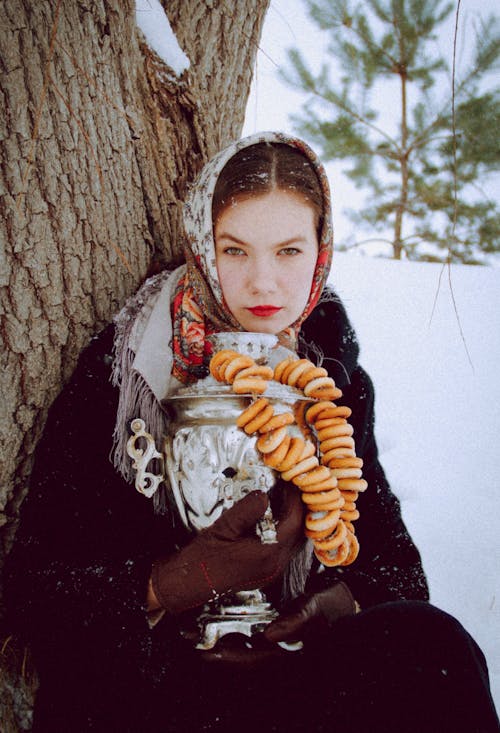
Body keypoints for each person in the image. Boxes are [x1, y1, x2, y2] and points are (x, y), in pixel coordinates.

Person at [3, 132, 499, 733]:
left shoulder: (330, 377)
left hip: (290, 680)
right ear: (202, 247)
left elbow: (396, 569)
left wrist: (336, 604)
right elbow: (31, 590)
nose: (264, 283)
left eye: (288, 251)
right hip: (154, 692)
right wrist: (172, 583)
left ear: (321, 250)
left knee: (432, 645)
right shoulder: (125, 371)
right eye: (235, 250)